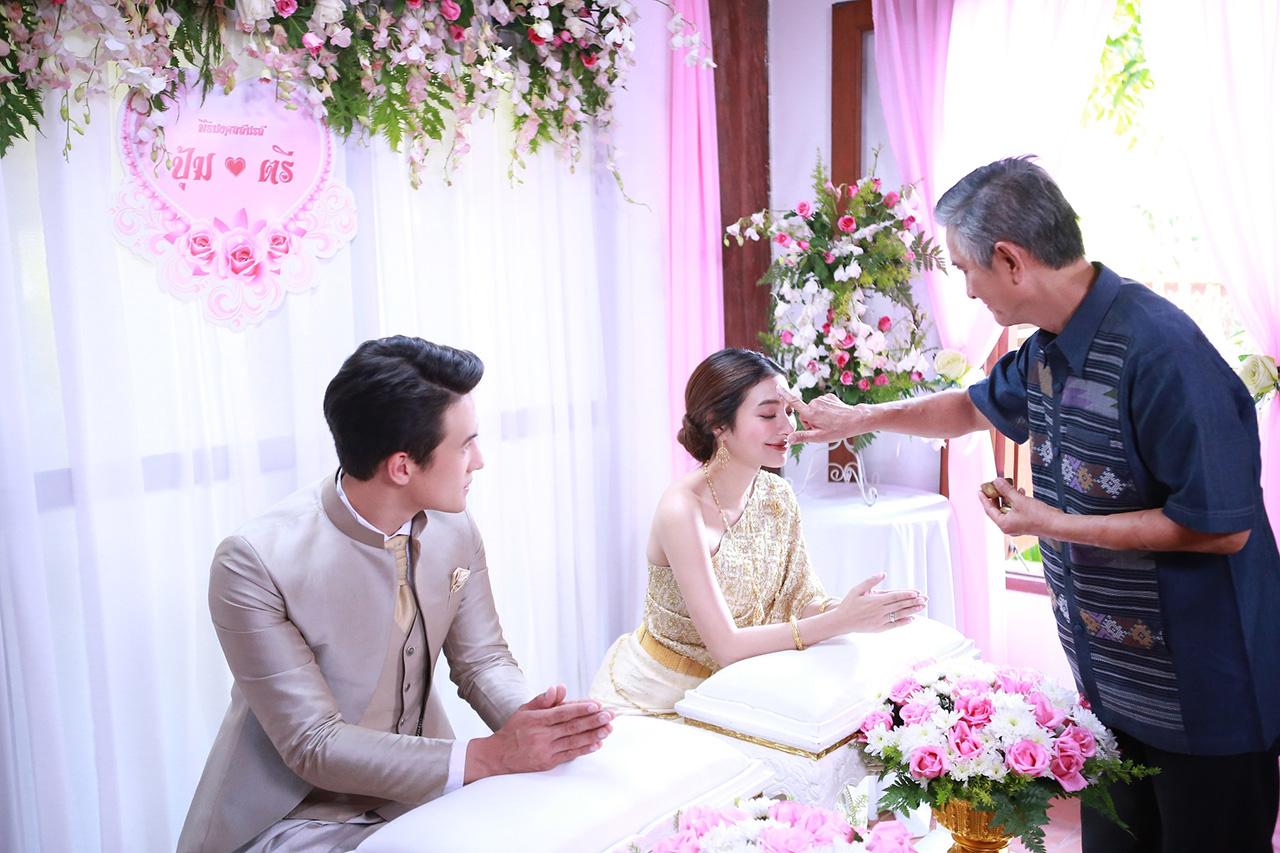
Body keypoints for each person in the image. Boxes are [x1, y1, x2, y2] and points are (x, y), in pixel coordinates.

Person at [785, 157, 1280, 852]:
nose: (967, 289)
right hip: (1113, 695)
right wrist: (858, 418)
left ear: (1011, 260)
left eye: (967, 269)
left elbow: (1220, 529)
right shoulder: (1048, 350)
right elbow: (969, 408)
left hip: (1205, 697)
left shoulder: (1163, 352)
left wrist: (1049, 523)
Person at [179, 336, 615, 853]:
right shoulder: (254, 562)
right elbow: (313, 743)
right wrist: (493, 755)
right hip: (296, 815)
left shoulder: (455, 528)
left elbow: (483, 660)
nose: (479, 461)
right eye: (465, 445)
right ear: (402, 466)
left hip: (423, 794)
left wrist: (535, 723)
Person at [589, 348, 927, 715]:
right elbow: (726, 647)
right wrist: (840, 621)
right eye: (768, 415)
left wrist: (853, 609)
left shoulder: (777, 495)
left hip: (737, 691)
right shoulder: (681, 510)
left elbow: (800, 599)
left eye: (788, 412)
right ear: (717, 424)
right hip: (653, 698)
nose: (787, 428)